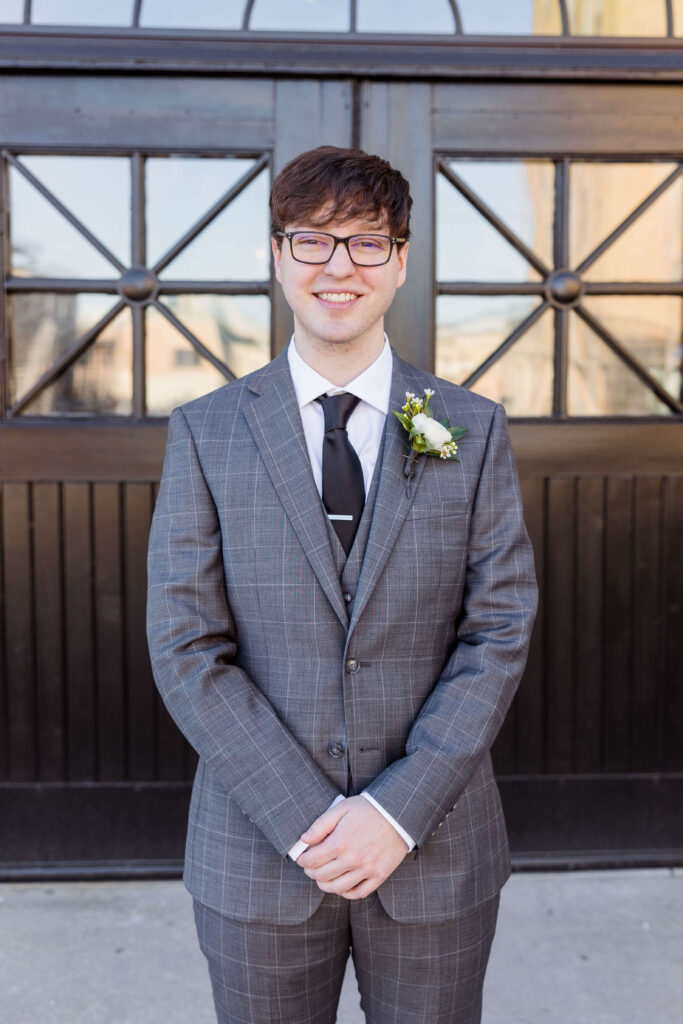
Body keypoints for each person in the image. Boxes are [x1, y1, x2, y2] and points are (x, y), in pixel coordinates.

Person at [146, 145, 538, 1024]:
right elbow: (186, 647)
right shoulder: (206, 433)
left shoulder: (466, 428)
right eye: (312, 241)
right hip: (259, 852)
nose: (338, 267)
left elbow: (498, 629)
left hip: (434, 850)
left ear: (400, 263)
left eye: (365, 244)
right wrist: (309, 816)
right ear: (278, 258)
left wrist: (395, 813)